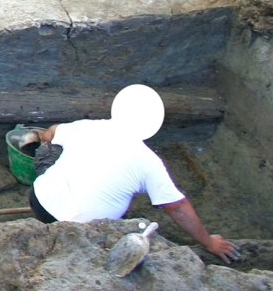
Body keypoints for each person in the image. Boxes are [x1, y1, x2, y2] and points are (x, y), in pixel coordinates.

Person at [21, 84, 241, 262]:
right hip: (85, 232)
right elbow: (178, 208)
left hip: (39, 202)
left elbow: (51, 133)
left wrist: (42, 137)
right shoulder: (148, 162)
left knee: (49, 152)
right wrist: (209, 243)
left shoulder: (87, 127)